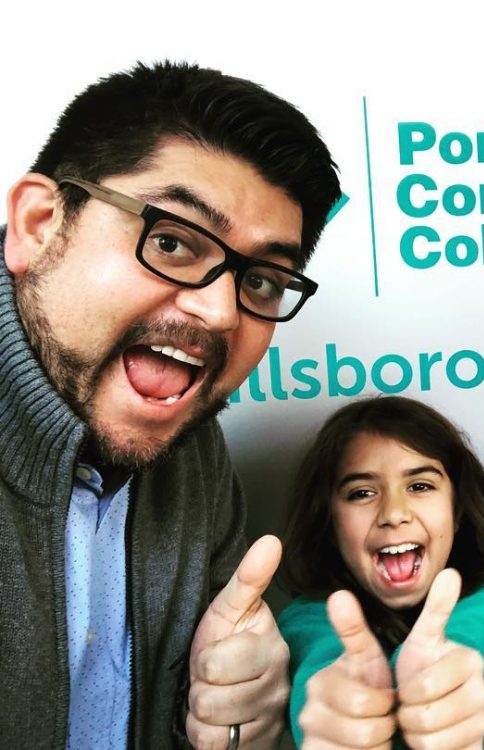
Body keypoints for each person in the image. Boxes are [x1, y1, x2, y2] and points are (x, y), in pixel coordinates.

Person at [0, 61, 341, 748]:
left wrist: (236, 721)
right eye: (172, 242)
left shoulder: (191, 448)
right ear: (38, 225)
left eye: (265, 281)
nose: (219, 312)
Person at [279, 395, 484, 749]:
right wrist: (340, 706)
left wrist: (458, 670)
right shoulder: (306, 621)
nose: (394, 513)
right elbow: (315, 658)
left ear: (458, 510)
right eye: (362, 492)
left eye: (420, 486)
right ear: (330, 523)